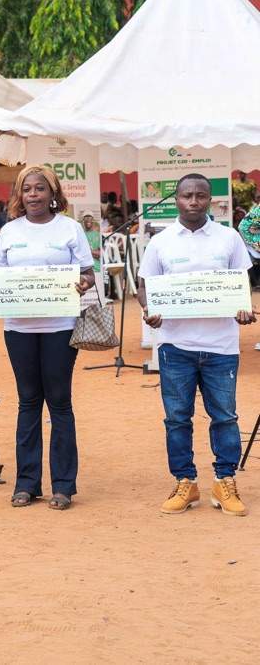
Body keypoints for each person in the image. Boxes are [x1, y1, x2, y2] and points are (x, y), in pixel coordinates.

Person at [137, 174, 256, 516]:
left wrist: (243, 310)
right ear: (176, 199)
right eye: (187, 195)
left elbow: (239, 286)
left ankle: (225, 481)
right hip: (176, 345)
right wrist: (150, 309)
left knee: (225, 417)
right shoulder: (161, 242)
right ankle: (185, 483)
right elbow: (144, 286)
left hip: (221, 346)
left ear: (211, 200)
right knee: (177, 419)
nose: (193, 202)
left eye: (200, 196)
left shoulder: (229, 238)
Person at [0, 164, 94, 511]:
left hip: (59, 327)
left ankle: (63, 486)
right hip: (18, 328)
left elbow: (88, 275)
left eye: (40, 189)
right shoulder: (8, 231)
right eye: (26, 189)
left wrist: (82, 284)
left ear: (53, 194)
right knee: (28, 401)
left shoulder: (70, 228)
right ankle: (27, 483)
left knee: (60, 402)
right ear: (19, 195)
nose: (33, 195)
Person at [82, 213, 103, 296]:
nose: (88, 220)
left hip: (97, 268)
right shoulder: (81, 234)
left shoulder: (97, 234)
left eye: (90, 217)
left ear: (93, 220)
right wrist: (93, 251)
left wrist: (87, 251)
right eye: (86, 218)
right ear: (83, 221)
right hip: (84, 271)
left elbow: (100, 253)